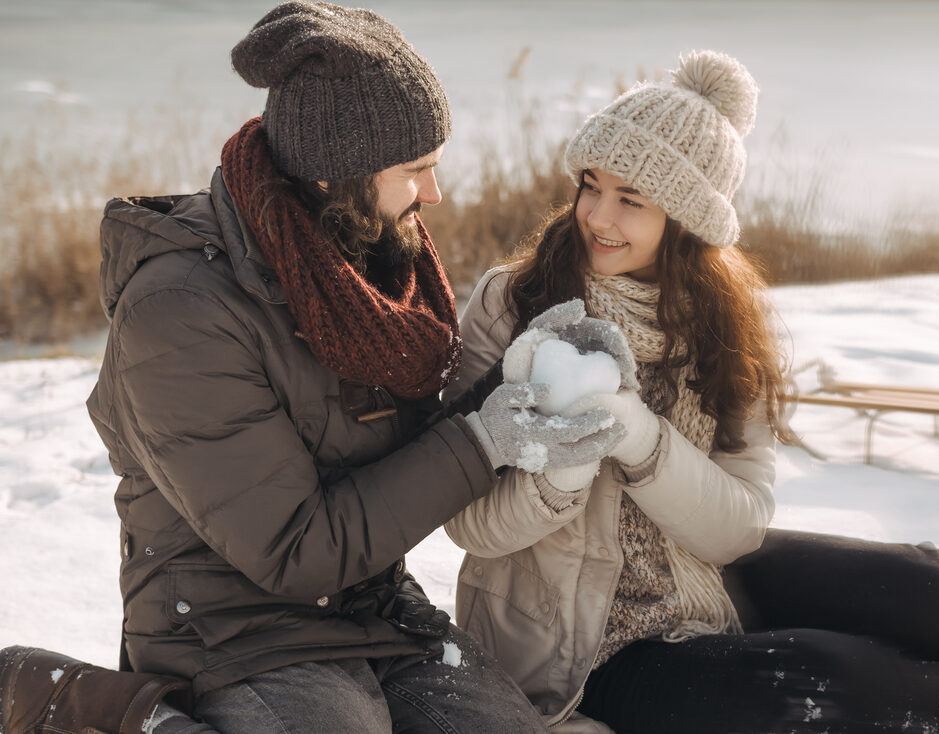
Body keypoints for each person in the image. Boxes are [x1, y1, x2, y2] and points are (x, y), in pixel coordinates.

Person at [440, 49, 939, 734]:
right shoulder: (516, 303)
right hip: (576, 647)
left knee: (925, 585)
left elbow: (737, 527)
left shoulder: (718, 322)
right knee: (816, 679)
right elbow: (468, 525)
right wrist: (563, 476)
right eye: (590, 186)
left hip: (701, 578)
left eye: (631, 199)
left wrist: (641, 439)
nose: (596, 217)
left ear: (687, 220)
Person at [0, 3, 626, 733]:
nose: (435, 195)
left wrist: (522, 383)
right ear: (336, 175)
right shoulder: (180, 313)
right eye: (415, 171)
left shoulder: (366, 266)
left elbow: (416, 443)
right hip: (230, 630)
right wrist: (490, 437)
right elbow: (294, 549)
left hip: (376, 611)